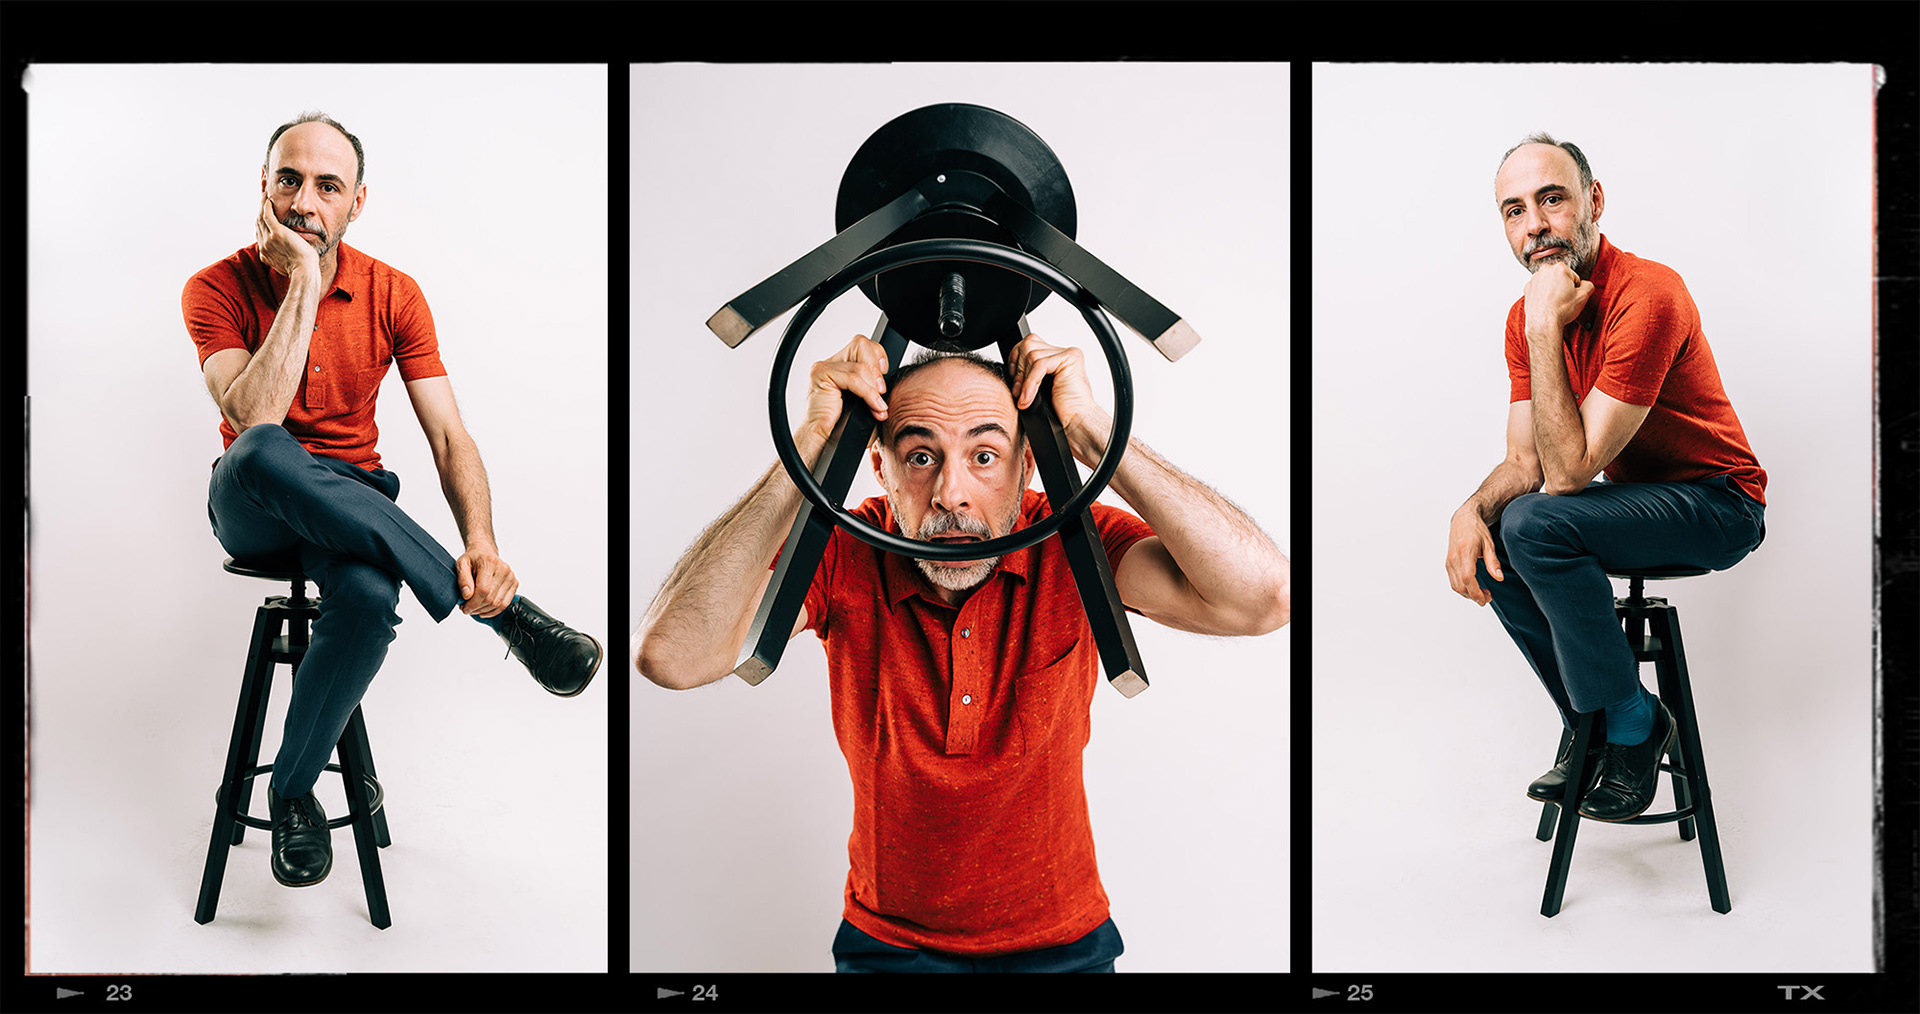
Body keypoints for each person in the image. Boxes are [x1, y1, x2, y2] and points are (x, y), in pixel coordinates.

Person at [635, 332, 1289, 972]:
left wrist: (1094, 433)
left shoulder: (1076, 538)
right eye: (920, 456)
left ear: (1027, 464)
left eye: (984, 455)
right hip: (888, 948)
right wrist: (811, 447)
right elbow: (673, 656)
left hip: (1065, 943)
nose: (951, 492)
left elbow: (1265, 600)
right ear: (880, 467)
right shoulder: (843, 547)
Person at [184, 112, 603, 891]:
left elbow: (448, 435)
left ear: (358, 201)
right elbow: (256, 417)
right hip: (255, 503)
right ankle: (503, 616)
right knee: (263, 448)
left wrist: (482, 544)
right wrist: (304, 280)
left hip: (352, 510)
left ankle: (291, 794)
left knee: (373, 600)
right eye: (289, 180)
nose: (304, 201)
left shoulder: (395, 293)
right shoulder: (214, 286)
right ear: (264, 188)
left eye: (327, 186)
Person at [1444, 134, 1767, 822]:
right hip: (1635, 501)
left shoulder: (1647, 293)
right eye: (1514, 210)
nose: (1535, 225)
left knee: (1534, 522)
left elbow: (1565, 476)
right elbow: (1525, 463)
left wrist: (1543, 329)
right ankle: (1595, 722)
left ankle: (1630, 724)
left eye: (1552, 199)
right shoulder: (1525, 317)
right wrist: (1468, 512)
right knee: (1498, 534)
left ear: (1593, 201)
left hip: (1720, 504)